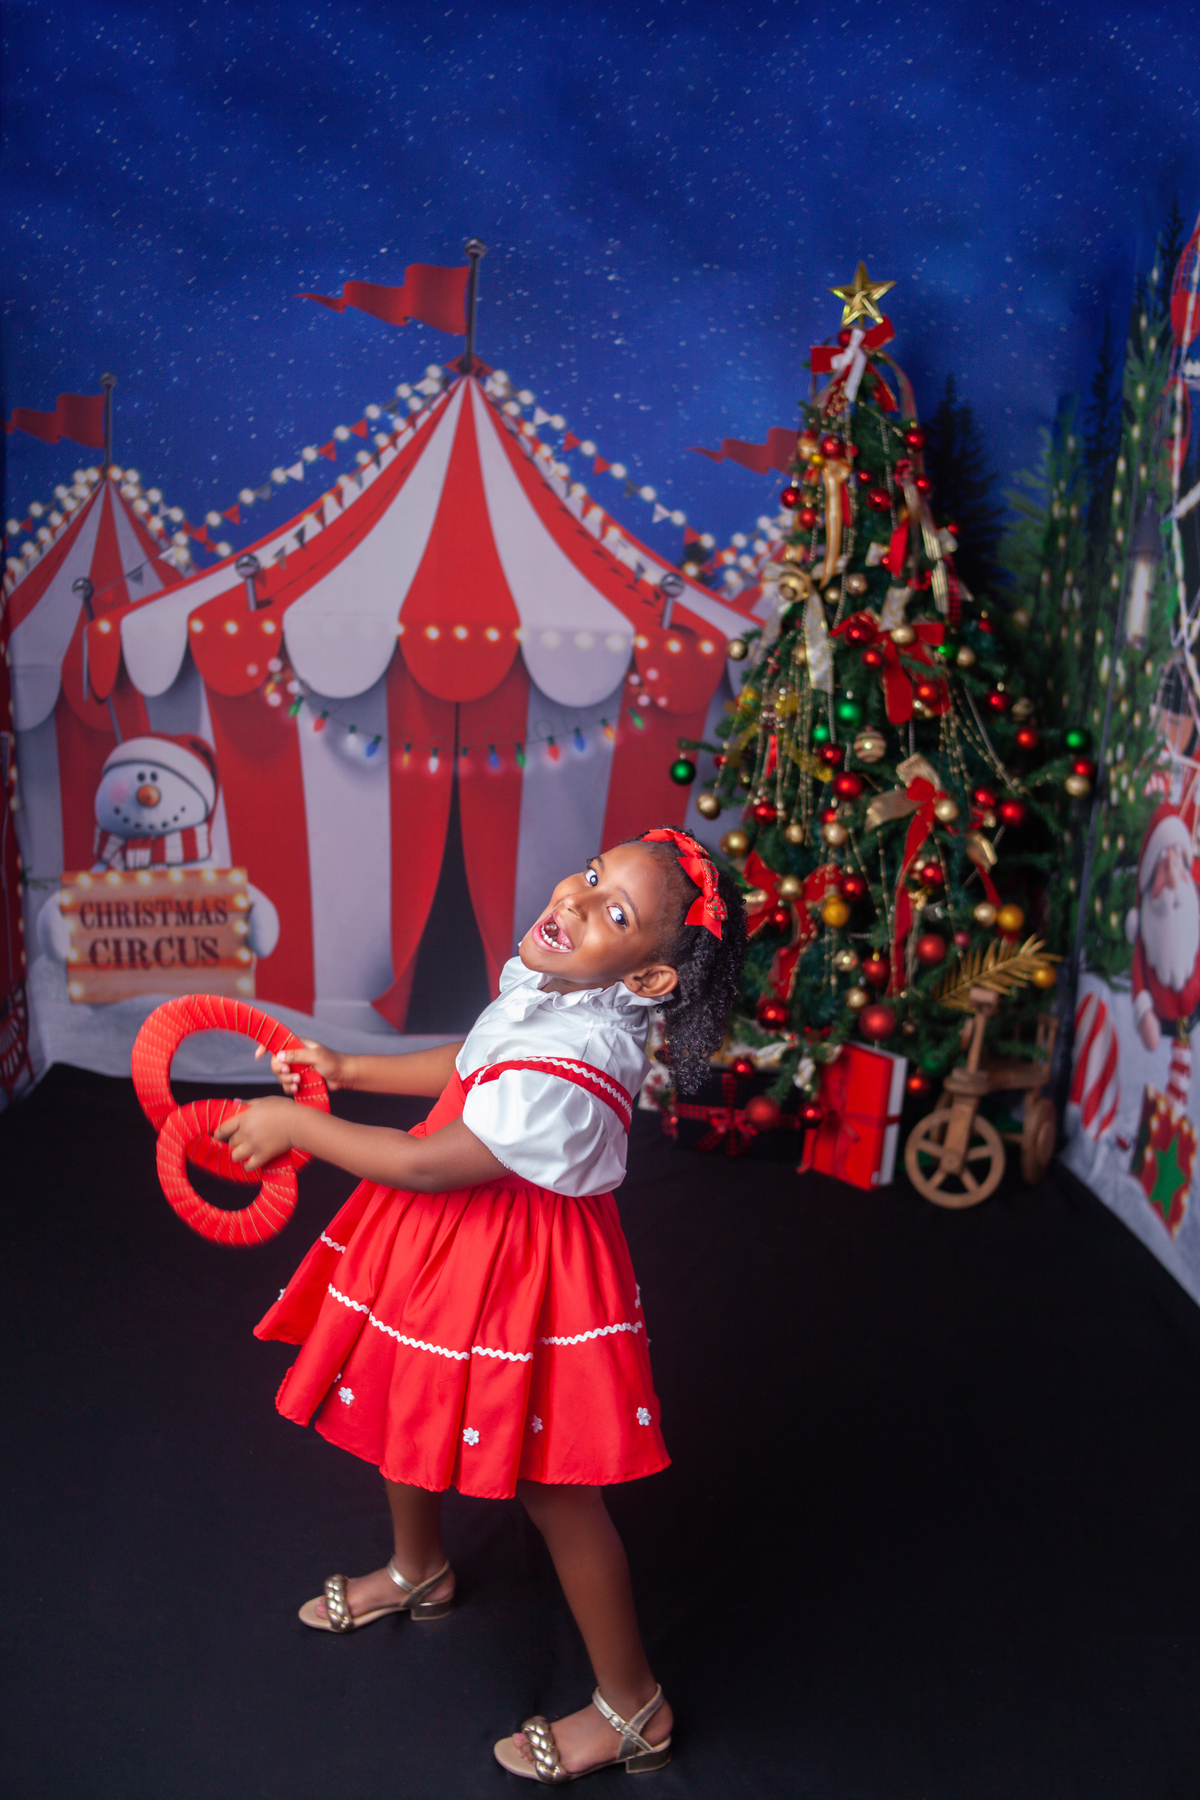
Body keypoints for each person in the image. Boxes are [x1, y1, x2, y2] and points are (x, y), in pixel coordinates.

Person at [214, 828, 747, 1783]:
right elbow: (474, 1061)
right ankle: (420, 1568)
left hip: (518, 1268)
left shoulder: (579, 1063)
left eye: (615, 912)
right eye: (591, 876)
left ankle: (635, 1707)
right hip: (451, 1243)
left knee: (553, 1483)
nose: (580, 901)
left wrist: (302, 1121)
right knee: (398, 1389)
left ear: (651, 981)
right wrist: (351, 1068)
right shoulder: (557, 992)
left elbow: (425, 1162)